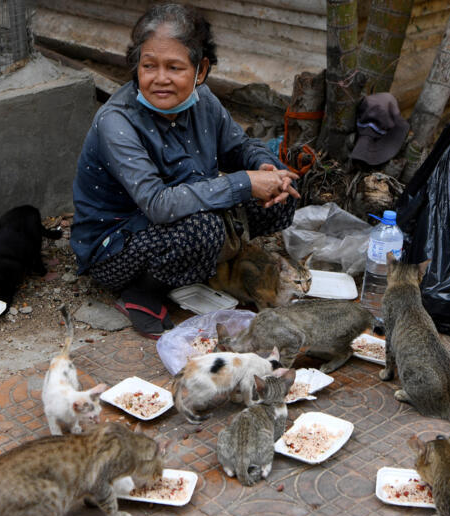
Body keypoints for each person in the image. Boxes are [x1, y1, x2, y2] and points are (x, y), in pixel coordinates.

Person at [70, 3, 300, 339]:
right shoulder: (116, 122)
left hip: (180, 213)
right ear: (137, 67)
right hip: (115, 245)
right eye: (149, 66)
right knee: (202, 229)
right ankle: (143, 293)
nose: (160, 79)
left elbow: (238, 146)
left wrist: (266, 168)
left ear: (201, 69)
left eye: (174, 67)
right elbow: (158, 203)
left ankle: (203, 266)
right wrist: (244, 183)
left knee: (283, 196)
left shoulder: (203, 100)